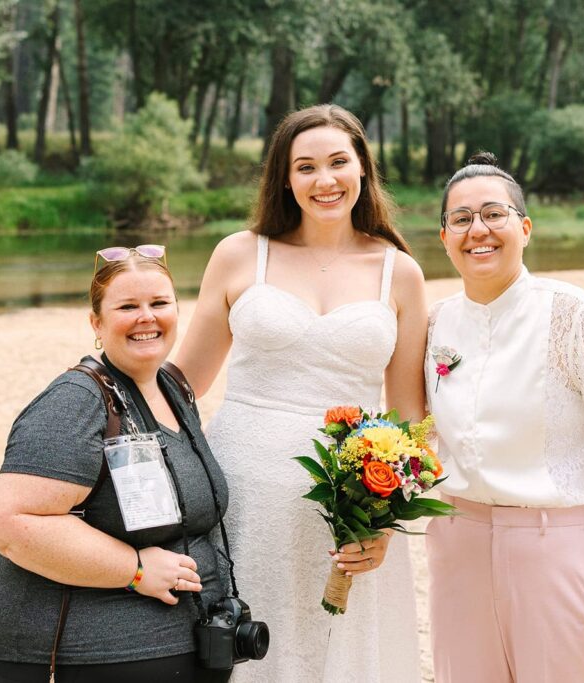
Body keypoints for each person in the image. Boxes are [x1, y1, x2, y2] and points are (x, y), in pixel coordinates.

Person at [175, 104, 427, 682]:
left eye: (339, 162)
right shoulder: (240, 253)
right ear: (285, 179)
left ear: (362, 168)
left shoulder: (399, 272)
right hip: (244, 494)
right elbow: (185, 383)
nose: (325, 180)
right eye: (306, 166)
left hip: (352, 506)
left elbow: (411, 418)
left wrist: (384, 522)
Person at [425, 153, 584, 682]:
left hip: (554, 546)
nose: (479, 231)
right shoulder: (437, 323)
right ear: (444, 237)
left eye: (495, 214)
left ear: (525, 227)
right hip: (457, 546)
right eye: (461, 219)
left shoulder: (573, 314)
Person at [0, 245, 234, 682]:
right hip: (55, 652)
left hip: (176, 647)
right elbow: (11, 523)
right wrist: (135, 569)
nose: (147, 316)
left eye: (159, 303)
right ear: (97, 322)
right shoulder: (77, 401)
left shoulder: (173, 387)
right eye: (128, 306)